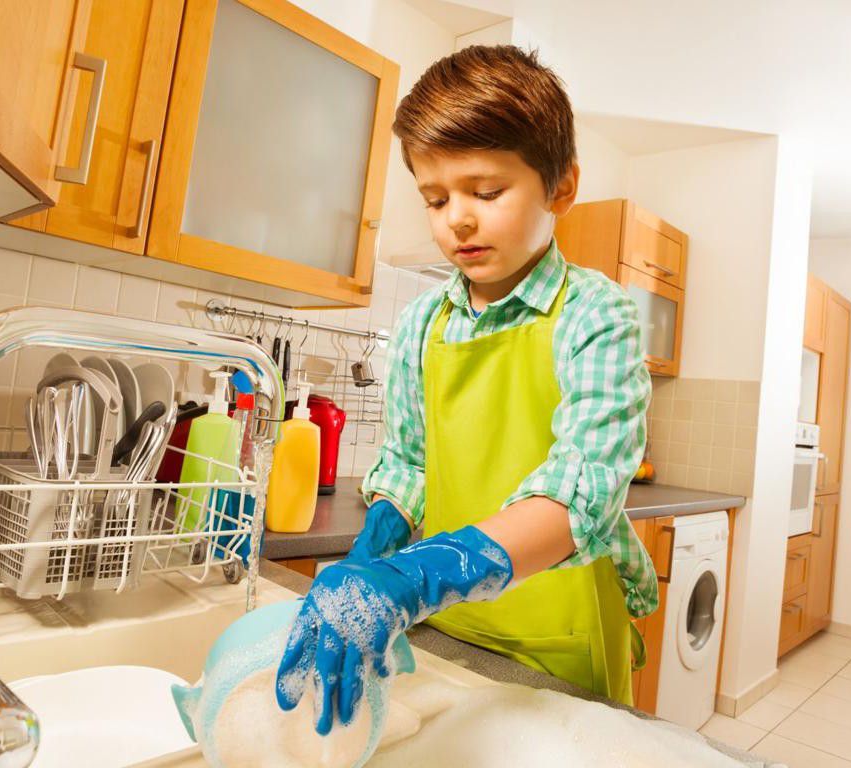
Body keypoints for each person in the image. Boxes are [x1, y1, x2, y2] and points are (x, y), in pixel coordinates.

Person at [276, 44, 655, 737]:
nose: (458, 219)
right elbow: (411, 462)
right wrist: (380, 543)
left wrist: (415, 576)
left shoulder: (596, 314)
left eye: (486, 192)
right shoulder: (424, 322)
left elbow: (582, 491)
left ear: (561, 189)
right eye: (435, 197)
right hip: (447, 623)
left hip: (558, 629)